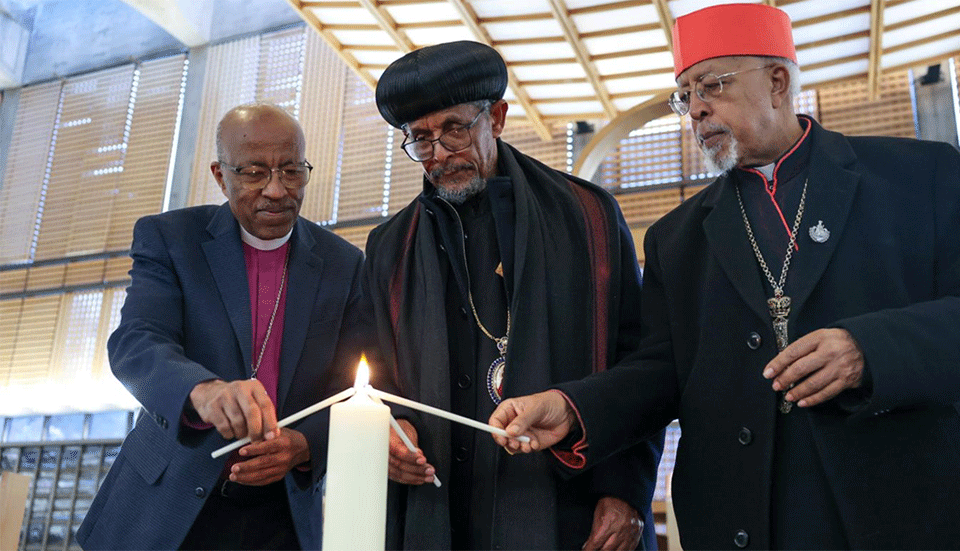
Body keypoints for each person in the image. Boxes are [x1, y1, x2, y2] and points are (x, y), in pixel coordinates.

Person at [490, 4, 960, 550]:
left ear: (778, 82)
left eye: (713, 86)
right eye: (685, 96)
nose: (697, 111)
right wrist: (572, 408)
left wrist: (868, 350)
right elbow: (661, 372)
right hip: (752, 519)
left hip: (912, 508)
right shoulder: (677, 237)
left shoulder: (918, 176)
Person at [361, 41, 663, 550]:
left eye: (455, 129)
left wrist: (625, 491)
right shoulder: (390, 246)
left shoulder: (587, 216)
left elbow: (642, 366)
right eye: (420, 138)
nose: (439, 153)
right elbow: (374, 380)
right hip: (435, 510)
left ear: (496, 118)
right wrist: (387, 431)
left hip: (566, 506)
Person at [76, 103, 366, 550]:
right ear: (219, 174)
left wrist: (304, 445)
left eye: (291, 171)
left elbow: (353, 388)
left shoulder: (343, 263)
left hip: (279, 512)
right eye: (253, 172)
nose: (275, 190)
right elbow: (136, 342)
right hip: (164, 502)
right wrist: (204, 391)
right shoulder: (171, 239)